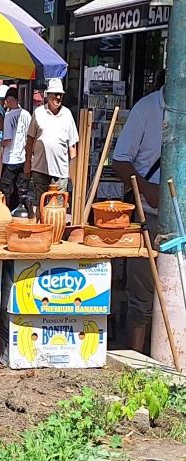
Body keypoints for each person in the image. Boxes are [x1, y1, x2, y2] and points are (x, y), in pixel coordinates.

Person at [111, 69, 165, 353]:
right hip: (149, 217)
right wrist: (146, 188)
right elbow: (119, 160)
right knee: (142, 298)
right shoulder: (147, 109)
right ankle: (135, 361)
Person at [25, 78, 79, 204]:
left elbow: (72, 146)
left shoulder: (67, 115)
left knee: (58, 209)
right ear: (48, 95)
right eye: (55, 94)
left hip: (61, 172)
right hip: (40, 169)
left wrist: (73, 171)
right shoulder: (38, 113)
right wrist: (27, 163)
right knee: (40, 206)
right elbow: (30, 140)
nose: (58, 97)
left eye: (60, 94)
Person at [0, 87, 32, 210]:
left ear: (10, 100)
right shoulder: (26, 114)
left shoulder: (8, 116)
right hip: (22, 157)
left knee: (6, 190)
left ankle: (6, 213)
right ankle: (22, 212)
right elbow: (30, 136)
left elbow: (7, 140)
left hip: (10, 158)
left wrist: (0, 143)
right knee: (21, 190)